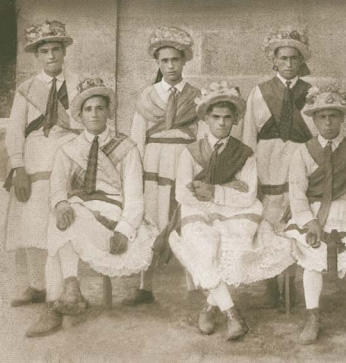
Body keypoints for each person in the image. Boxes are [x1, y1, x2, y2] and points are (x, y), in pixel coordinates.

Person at [25, 78, 158, 337]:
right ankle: (68, 290)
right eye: (88, 109)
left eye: (99, 108)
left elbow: (134, 195)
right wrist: (61, 203)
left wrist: (124, 229)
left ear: (109, 112)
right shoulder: (68, 149)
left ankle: (58, 301)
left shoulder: (127, 147)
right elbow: (57, 188)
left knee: (65, 222)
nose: (94, 114)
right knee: (64, 216)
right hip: (79, 212)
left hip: (110, 217)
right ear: (80, 115)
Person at [169, 81, 295, 341]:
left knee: (233, 247)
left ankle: (209, 307)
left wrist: (215, 191)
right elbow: (183, 193)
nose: (222, 123)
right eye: (216, 117)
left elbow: (248, 193)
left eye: (228, 118)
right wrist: (221, 196)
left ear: (236, 120)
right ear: (205, 118)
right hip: (199, 211)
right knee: (203, 245)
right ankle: (233, 314)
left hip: (237, 212)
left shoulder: (245, 154)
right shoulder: (191, 152)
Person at [285, 85, 346, 344]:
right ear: (314, 120)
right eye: (322, 116)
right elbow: (297, 193)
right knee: (312, 253)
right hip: (313, 213)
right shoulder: (303, 152)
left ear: (343, 118)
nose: (328, 122)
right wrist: (309, 221)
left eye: (334, 115)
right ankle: (313, 315)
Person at [4, 20, 81, 308]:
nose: (51, 56)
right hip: (34, 158)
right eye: (45, 51)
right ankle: (37, 285)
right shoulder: (26, 89)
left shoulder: (77, 86)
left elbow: (87, 128)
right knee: (31, 222)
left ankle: (64, 289)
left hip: (66, 156)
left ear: (64, 52)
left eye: (56, 49)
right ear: (37, 56)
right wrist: (19, 168)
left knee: (61, 221)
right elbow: (14, 131)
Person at [124, 26, 203, 305]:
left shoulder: (197, 96)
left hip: (184, 161)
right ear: (157, 63)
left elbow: (203, 137)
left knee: (184, 220)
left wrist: (200, 170)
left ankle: (193, 284)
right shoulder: (147, 96)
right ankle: (145, 285)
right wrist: (136, 174)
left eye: (175, 60)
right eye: (164, 61)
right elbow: (136, 139)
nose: (170, 66)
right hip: (154, 165)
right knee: (153, 219)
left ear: (184, 61)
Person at [241, 27, 316, 307]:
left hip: (298, 158)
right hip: (267, 158)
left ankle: (293, 280)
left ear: (300, 61)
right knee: (269, 218)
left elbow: (316, 136)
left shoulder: (311, 93)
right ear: (274, 60)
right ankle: (270, 281)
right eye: (282, 58)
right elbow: (249, 134)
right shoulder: (260, 92)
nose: (288, 64)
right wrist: (250, 170)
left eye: (293, 59)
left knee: (293, 215)